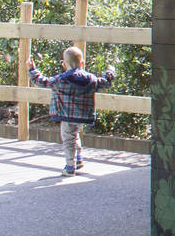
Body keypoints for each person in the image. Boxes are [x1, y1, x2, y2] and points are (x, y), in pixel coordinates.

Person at [28, 48, 115, 176]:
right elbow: (106, 82)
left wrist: (32, 69)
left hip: (67, 115)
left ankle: (70, 167)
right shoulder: (91, 79)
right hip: (83, 116)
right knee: (75, 135)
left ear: (64, 64)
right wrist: (110, 71)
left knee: (69, 139)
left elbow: (42, 81)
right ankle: (79, 159)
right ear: (82, 63)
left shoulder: (60, 80)